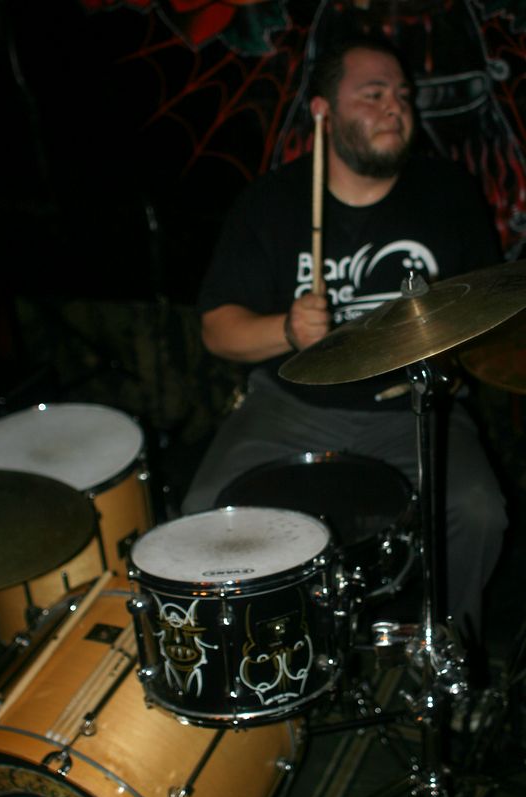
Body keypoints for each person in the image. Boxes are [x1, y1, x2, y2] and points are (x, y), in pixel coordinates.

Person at [182, 33, 507, 653]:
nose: (396, 108)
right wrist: (286, 330)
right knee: (204, 507)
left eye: (403, 96)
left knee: (480, 511)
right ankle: (259, 661)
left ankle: (446, 658)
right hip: (292, 406)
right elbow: (216, 329)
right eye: (373, 94)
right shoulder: (270, 202)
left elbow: (488, 315)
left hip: (414, 405)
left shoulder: (447, 194)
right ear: (323, 112)